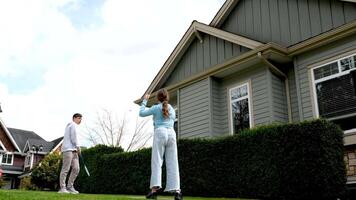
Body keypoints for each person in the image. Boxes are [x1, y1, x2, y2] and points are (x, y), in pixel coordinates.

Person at [139, 88, 183, 200]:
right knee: (173, 162)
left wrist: (144, 100)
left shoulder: (155, 108)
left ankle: (154, 191)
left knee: (157, 161)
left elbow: (141, 113)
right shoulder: (172, 109)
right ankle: (177, 192)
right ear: (167, 97)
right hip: (172, 134)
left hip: (160, 132)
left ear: (158, 98)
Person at [58, 113, 82, 194]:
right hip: (68, 150)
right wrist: (78, 146)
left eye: (80, 118)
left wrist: (77, 147)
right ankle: (62, 188)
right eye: (78, 118)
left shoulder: (75, 126)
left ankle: (70, 187)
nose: (80, 120)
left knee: (76, 168)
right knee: (65, 169)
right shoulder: (72, 125)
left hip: (74, 150)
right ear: (74, 118)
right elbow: (73, 137)